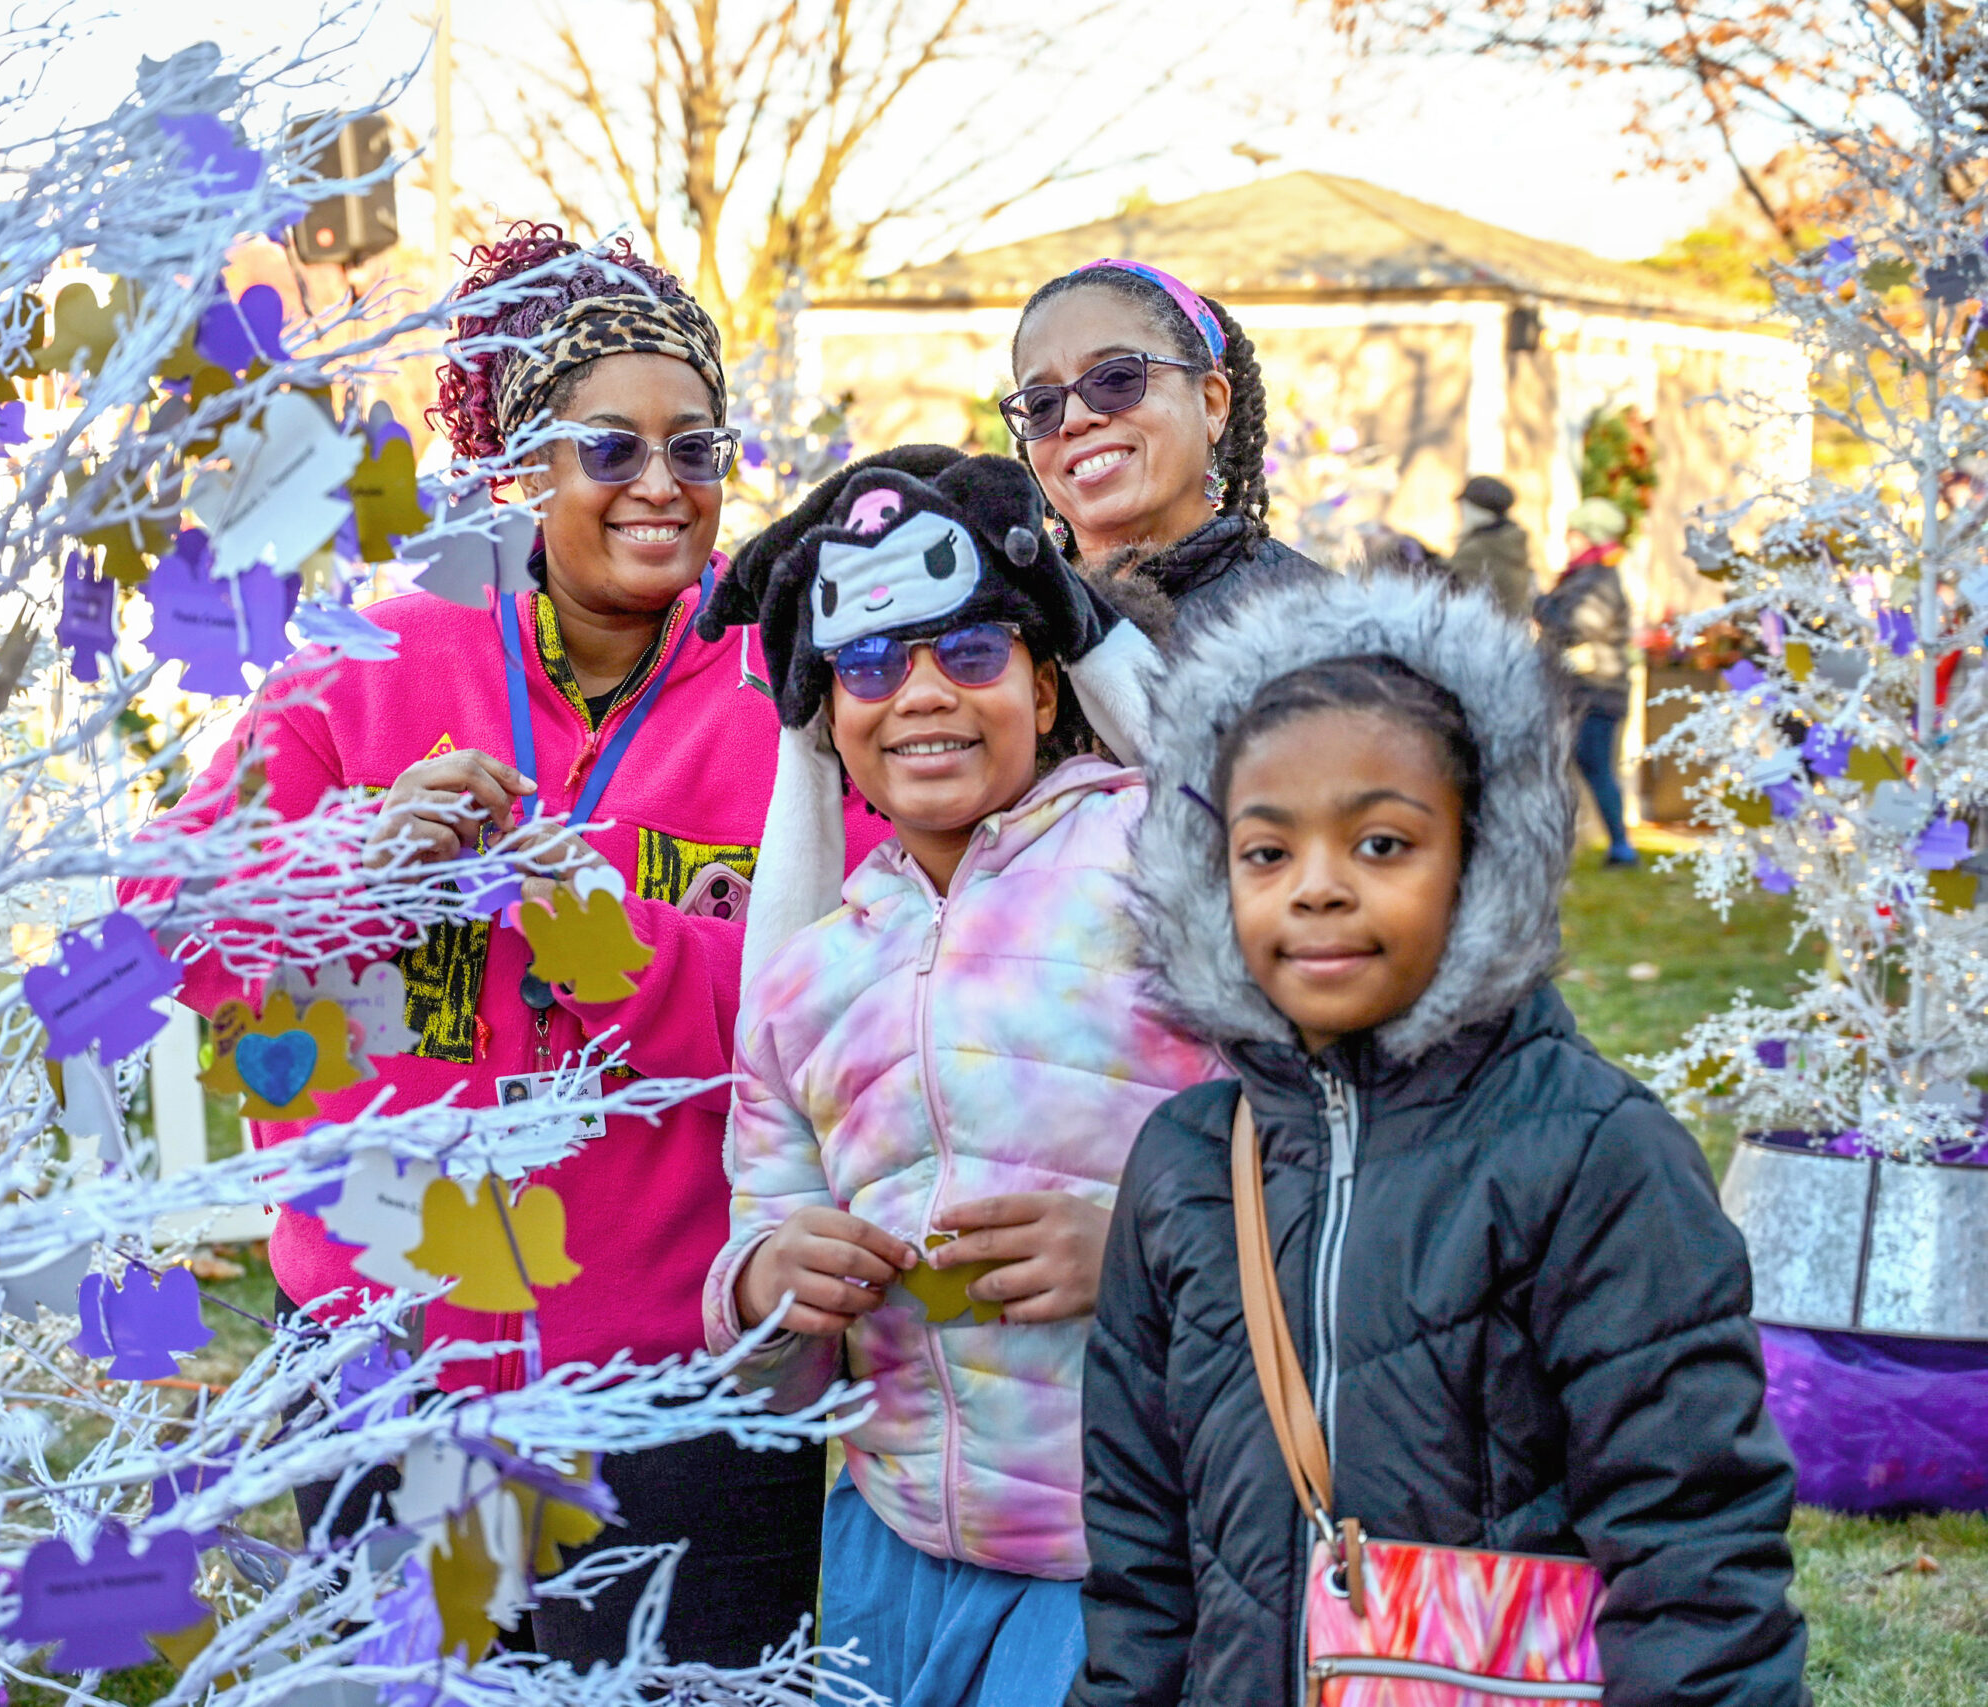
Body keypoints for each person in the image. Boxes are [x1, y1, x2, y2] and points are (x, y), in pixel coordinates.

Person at [127, 223, 891, 1666]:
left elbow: (836, 1000)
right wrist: (351, 859)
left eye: (698, 447)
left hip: (688, 1389)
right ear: (523, 464)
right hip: (387, 1369)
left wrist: (586, 920)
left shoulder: (789, 699)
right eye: (611, 447)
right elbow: (158, 932)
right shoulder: (372, 664)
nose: (663, 485)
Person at [1074, 572, 1808, 1706]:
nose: (1315, 890)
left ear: (1481, 857)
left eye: (1379, 843)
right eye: (1266, 853)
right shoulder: (1183, 1164)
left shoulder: (1593, 1155)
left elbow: (1693, 1557)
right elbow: (1139, 1556)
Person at [699, 451, 1221, 1707]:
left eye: (970, 653)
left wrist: (1138, 1246)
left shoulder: (1167, 857)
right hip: (892, 1564)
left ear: (1047, 686)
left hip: (1149, 1559)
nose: (919, 693)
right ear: (829, 719)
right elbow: (769, 1353)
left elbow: (1325, 1142)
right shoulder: (803, 976)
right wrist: (767, 1290)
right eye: (869, 667)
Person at [1004, 259, 1323, 635]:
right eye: (1042, 404)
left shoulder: (1328, 626)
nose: (1073, 419)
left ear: (1212, 404)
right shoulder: (1004, 634)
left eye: (1116, 378)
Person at [1538, 495, 1639, 866]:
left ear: (1590, 537)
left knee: (1595, 769)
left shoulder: (1600, 581)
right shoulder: (1585, 576)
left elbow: (1576, 626)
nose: (1568, 539)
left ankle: (1622, 849)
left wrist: (1540, 603)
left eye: (1574, 533)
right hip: (1581, 689)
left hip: (1597, 691)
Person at [1444, 472, 1535, 618]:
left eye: (1462, 509)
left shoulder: (1479, 550)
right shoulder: (1509, 541)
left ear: (1474, 511)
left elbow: (1448, 589)